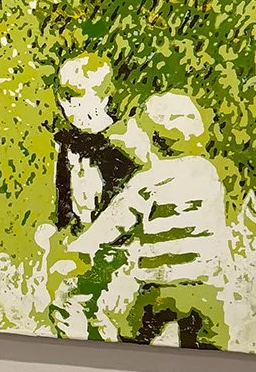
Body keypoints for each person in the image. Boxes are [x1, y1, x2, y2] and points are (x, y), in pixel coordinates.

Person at [60, 92, 230, 350]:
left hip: (157, 287)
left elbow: (113, 223)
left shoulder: (145, 182)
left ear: (151, 139)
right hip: (206, 288)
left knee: (132, 340)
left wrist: (78, 249)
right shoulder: (208, 173)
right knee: (210, 350)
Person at [36, 54, 146, 340]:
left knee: (100, 309)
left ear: (105, 98)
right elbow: (63, 189)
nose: (72, 109)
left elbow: (133, 198)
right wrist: (59, 226)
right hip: (79, 235)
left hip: (115, 244)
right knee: (66, 303)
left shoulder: (122, 143)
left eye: (80, 100)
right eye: (66, 100)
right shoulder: (67, 141)